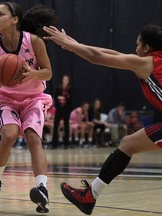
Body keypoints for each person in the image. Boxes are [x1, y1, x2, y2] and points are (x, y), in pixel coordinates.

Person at [43, 24, 162, 215]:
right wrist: (74, 44)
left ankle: (89, 196)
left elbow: (96, 57)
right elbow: (113, 53)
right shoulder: (153, 61)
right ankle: (89, 196)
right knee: (127, 144)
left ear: (147, 48)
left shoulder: (147, 63)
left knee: (127, 145)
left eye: (137, 44)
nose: (134, 48)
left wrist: (69, 44)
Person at [0, 2, 58, 213]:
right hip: (5, 99)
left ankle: (42, 190)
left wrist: (32, 73)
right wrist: (4, 79)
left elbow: (48, 72)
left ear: (15, 19)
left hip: (34, 98)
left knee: (34, 137)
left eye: (1, 14)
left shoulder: (33, 41)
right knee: (9, 135)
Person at [51, 74, 72, 149]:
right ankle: (54, 144)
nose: (64, 81)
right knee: (56, 125)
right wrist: (59, 99)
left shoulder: (70, 89)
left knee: (66, 126)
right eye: (64, 79)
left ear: (68, 81)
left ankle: (66, 144)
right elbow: (55, 98)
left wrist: (65, 99)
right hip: (59, 109)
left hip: (66, 109)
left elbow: (71, 100)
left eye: (66, 79)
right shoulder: (58, 88)